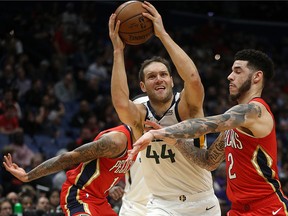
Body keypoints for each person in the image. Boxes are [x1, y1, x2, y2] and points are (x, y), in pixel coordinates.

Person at [131, 49, 288, 215]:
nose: (230, 76)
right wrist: (177, 142)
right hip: (238, 209)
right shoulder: (235, 121)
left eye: (237, 71)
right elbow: (209, 162)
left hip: (268, 207)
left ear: (256, 77)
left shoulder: (256, 110)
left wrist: (159, 133)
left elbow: (206, 124)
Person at [109, 1, 221, 215]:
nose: (158, 79)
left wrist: (162, 34)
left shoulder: (187, 106)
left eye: (163, 74)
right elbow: (121, 103)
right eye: (151, 76)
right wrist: (117, 50)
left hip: (202, 202)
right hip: (162, 205)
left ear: (171, 80)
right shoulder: (140, 113)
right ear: (143, 86)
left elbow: (194, 80)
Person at [3, 124, 137, 216]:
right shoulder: (115, 141)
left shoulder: (141, 143)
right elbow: (66, 158)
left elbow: (104, 169)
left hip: (99, 199)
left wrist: (108, 188)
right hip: (78, 194)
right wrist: (28, 176)